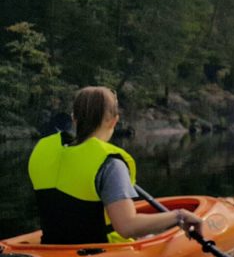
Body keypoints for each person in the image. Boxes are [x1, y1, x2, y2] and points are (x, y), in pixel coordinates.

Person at [28, 86, 203, 244]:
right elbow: (127, 227)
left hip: (51, 247)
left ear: (74, 119)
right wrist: (180, 215)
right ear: (114, 120)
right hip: (98, 254)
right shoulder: (110, 163)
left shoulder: (43, 151)